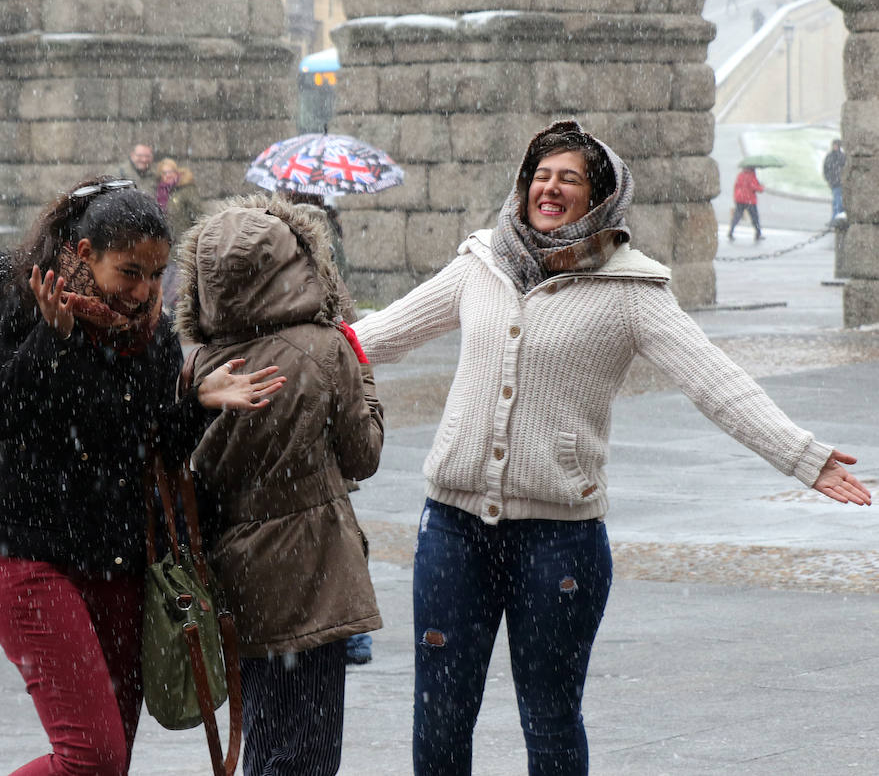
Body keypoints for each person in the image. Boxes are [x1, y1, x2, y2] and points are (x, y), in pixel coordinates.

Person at [351, 120, 871, 776]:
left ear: (598, 197)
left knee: (550, 717)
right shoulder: (481, 263)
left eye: (568, 178)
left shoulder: (631, 291)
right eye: (540, 175)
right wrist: (276, 349)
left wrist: (801, 456)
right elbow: (377, 335)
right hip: (453, 531)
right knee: (440, 714)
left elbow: (715, 381)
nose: (549, 188)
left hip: (558, 541)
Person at [0, 178, 286, 775]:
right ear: (85, 255)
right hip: (31, 557)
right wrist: (53, 343)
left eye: (156, 275)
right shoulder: (23, 304)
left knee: (113, 759)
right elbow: (15, 419)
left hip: (119, 561)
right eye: (129, 272)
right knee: (92, 758)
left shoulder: (152, 337)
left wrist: (199, 404)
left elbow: (148, 447)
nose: (143, 291)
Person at [176, 194, 384, 776]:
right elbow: (363, 455)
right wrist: (363, 379)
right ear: (297, 262)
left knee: (264, 738)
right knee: (311, 749)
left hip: (235, 573)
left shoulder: (198, 364)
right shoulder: (325, 349)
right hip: (315, 569)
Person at [154, 157, 203, 309]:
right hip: (164, 245)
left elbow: (198, 215)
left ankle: (167, 310)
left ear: (177, 172)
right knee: (165, 278)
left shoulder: (186, 190)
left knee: (177, 282)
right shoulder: (160, 191)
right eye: (164, 173)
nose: (168, 175)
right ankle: (163, 309)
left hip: (182, 244)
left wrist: (194, 236)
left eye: (171, 171)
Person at [728, 165, 765, 241]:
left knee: (737, 216)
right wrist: (762, 187)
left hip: (740, 199)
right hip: (749, 200)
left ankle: (731, 232)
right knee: (755, 217)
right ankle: (758, 233)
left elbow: (736, 186)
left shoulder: (740, 175)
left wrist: (735, 197)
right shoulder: (751, 176)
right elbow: (755, 187)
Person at [823, 138, 846, 223]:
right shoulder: (829, 156)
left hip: (839, 182)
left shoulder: (842, 156)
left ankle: (836, 218)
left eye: (836, 145)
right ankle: (836, 218)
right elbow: (825, 168)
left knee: (838, 201)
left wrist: (841, 179)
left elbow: (844, 168)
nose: (835, 147)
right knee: (836, 201)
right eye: (834, 145)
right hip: (833, 182)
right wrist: (828, 178)